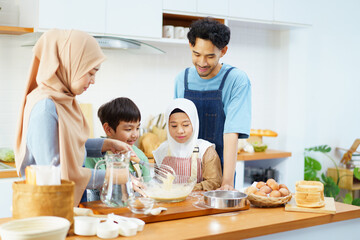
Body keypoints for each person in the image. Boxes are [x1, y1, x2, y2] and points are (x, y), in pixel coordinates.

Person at [14, 29, 132, 206]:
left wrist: (107, 144)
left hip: (67, 204)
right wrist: (113, 175)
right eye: (91, 72)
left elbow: (69, 145)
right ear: (70, 64)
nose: (93, 80)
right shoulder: (45, 108)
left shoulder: (64, 100)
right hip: (48, 208)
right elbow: (57, 173)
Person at [174, 18, 251, 190]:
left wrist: (227, 182)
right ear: (190, 46)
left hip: (221, 172)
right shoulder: (182, 79)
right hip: (187, 171)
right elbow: (176, 127)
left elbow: (231, 132)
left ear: (223, 51)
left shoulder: (236, 80)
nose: (202, 63)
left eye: (210, 56)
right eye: (196, 54)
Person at [85, 97, 151, 200]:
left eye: (137, 128)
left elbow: (148, 189)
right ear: (108, 129)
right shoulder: (92, 157)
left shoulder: (140, 156)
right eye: (128, 129)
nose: (135, 135)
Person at [153, 98, 222, 191]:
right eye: (174, 126)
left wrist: (185, 189)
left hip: (196, 204)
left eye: (185, 125)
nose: (180, 131)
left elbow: (214, 183)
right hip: (167, 203)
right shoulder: (161, 151)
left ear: (194, 124)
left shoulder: (205, 150)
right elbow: (157, 183)